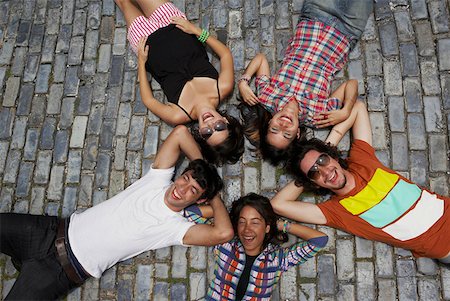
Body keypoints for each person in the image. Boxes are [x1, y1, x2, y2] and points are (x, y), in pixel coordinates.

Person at [0, 125, 234, 300]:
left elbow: (224, 233)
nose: (181, 189)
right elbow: (181, 132)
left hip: (58, 272)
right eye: (185, 178)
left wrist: (213, 195)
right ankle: (21, 258)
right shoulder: (157, 180)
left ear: (200, 198)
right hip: (47, 232)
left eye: (192, 190)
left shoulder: (175, 228)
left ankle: (24, 265)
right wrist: (205, 170)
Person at [271, 100, 450, 263]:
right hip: (444, 246)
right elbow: (278, 204)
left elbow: (357, 107)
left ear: (332, 157)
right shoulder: (336, 212)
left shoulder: (361, 160)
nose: (325, 171)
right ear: (315, 184)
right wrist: (307, 176)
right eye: (314, 173)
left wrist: (327, 147)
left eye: (323, 161)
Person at [238, 0, 372, 165]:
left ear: (269, 123)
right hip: (348, 29)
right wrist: (346, 110)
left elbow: (260, 59)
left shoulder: (266, 97)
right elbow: (351, 84)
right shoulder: (317, 117)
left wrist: (244, 81)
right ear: (297, 133)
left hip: (315, 15)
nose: (283, 126)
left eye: (275, 129)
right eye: (287, 134)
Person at [114, 0, 244, 165]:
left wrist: (141, 61)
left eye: (207, 133)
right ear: (226, 121)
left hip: (144, 41)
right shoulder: (222, 88)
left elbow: (149, 100)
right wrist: (195, 30)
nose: (210, 124)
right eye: (218, 127)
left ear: (201, 135)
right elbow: (225, 54)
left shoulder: (179, 114)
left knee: (124, 3)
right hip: (173, 23)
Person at [188, 193, 328, 300]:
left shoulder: (277, 260)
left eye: (255, 222)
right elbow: (190, 213)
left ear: (267, 228)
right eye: (242, 222)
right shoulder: (224, 243)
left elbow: (319, 240)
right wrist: (225, 214)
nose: (247, 230)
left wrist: (281, 225)